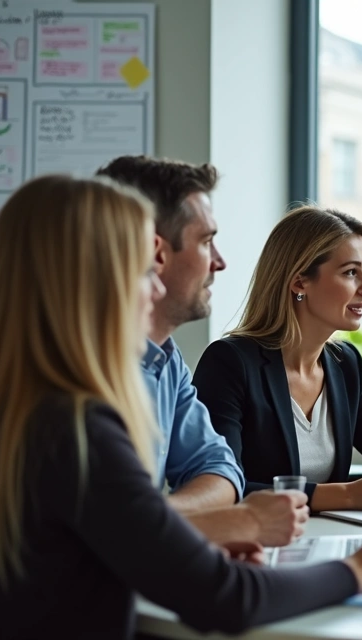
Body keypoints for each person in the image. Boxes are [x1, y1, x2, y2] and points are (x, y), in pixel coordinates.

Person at [0, 176, 362, 639]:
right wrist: (361, 570)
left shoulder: (8, 407)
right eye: (144, 271)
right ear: (93, 285)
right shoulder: (77, 430)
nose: (156, 291)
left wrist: (187, 538)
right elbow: (228, 600)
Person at [97, 156, 301, 548]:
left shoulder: (165, 361)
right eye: (206, 241)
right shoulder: (75, 371)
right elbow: (102, 529)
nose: (220, 262)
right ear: (155, 250)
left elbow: (219, 468)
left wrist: (155, 521)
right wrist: (220, 525)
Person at [193, 206, 362, 511]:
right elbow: (222, 487)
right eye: (351, 272)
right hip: (256, 544)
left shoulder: (345, 363)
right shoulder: (230, 362)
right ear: (299, 282)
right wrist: (349, 494)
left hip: (324, 538)